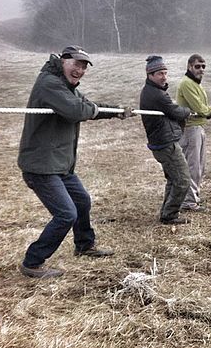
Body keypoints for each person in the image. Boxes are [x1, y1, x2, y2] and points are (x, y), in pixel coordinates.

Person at [17, 45, 132, 279]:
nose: (79, 70)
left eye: (83, 66)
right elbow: (76, 110)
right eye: (75, 64)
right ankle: (33, 261)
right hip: (41, 165)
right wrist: (93, 109)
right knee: (66, 214)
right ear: (62, 61)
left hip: (60, 164)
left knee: (81, 201)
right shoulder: (49, 83)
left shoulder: (66, 86)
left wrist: (116, 111)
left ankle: (84, 245)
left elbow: (86, 105)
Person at [139, 56, 193, 225]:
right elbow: (175, 112)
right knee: (183, 180)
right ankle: (170, 214)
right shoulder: (156, 94)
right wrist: (187, 111)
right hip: (165, 143)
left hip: (163, 141)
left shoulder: (154, 91)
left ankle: (167, 213)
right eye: (160, 73)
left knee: (173, 179)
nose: (164, 77)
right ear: (150, 75)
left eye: (165, 73)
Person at [175, 54, 211, 211]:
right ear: (189, 66)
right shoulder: (187, 84)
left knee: (200, 166)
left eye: (203, 66)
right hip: (190, 129)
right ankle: (189, 201)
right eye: (198, 66)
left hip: (198, 128)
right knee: (193, 166)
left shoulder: (195, 84)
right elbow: (200, 108)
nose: (201, 69)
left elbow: (202, 108)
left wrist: (207, 111)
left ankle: (193, 198)